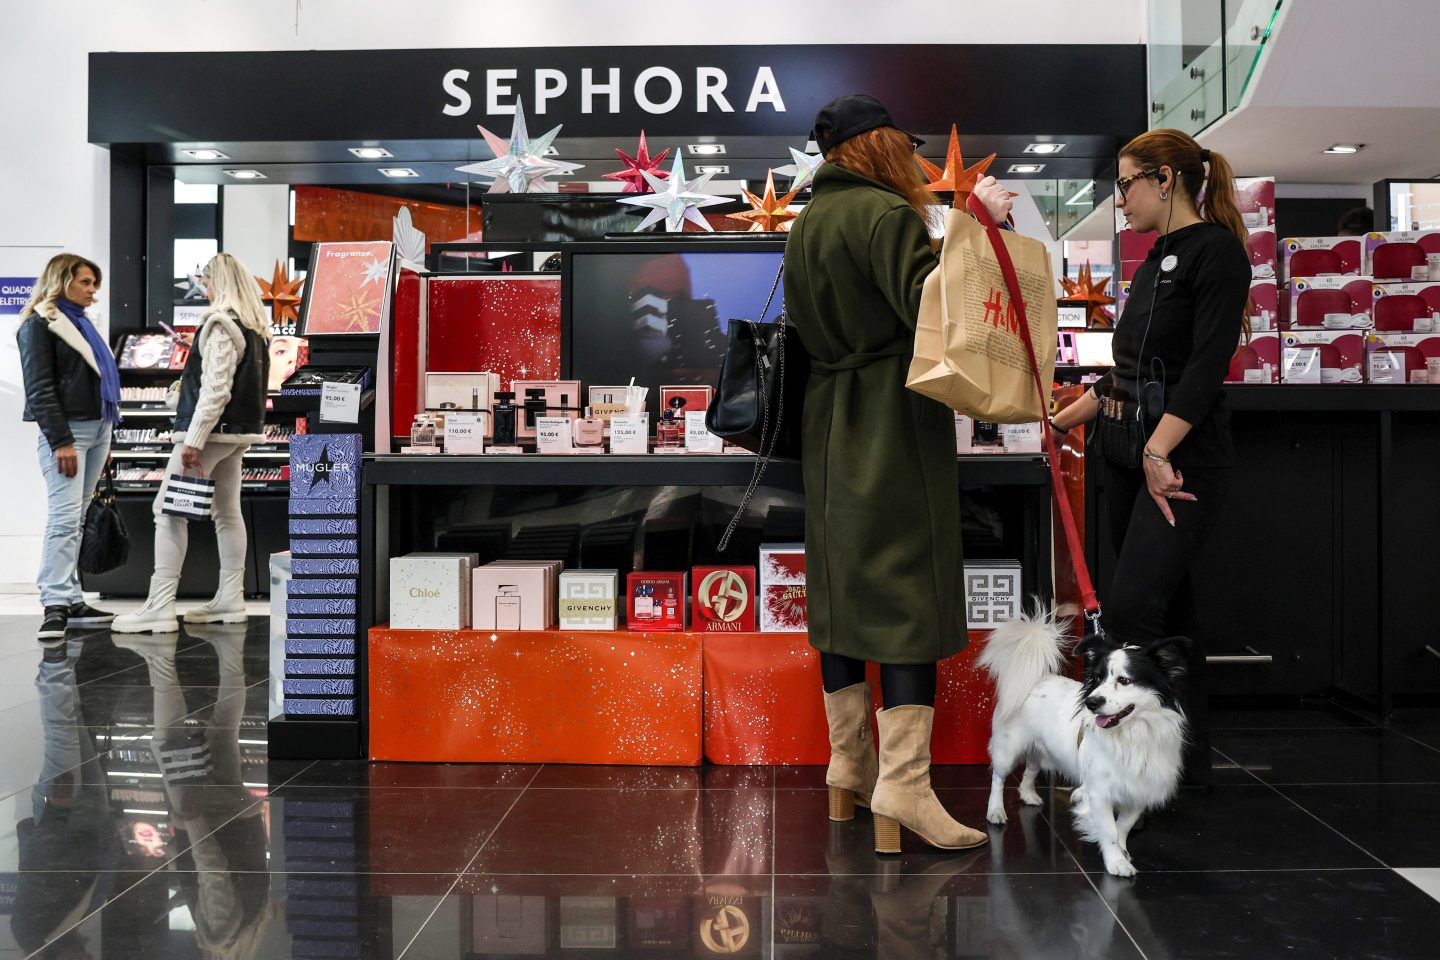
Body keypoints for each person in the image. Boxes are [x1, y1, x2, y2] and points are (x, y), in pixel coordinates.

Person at [784, 94, 1013, 854]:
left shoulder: (810, 220)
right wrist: (977, 223)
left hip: (829, 420)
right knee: (908, 588)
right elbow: (939, 309)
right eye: (902, 147)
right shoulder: (885, 216)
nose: (914, 162)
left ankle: (848, 766)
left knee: (847, 587)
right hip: (890, 415)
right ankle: (905, 788)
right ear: (877, 146)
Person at [1048, 129, 1252, 787]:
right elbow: (1133, 371)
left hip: (1178, 462)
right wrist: (1071, 413)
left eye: (1127, 182)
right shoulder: (1161, 252)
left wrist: (1159, 450)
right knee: (1165, 613)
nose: (1120, 199)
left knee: (1135, 612)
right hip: (1125, 455)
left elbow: (1204, 369)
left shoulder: (1215, 254)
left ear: (1165, 179)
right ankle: (1182, 767)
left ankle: (1133, 771)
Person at [113, 252, 271, 634]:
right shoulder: (254, 328)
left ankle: (159, 606)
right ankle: (230, 598)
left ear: (218, 282)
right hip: (235, 436)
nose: (203, 288)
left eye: (205, 281)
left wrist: (193, 441)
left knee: (167, 513)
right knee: (227, 514)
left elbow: (216, 390)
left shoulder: (219, 324)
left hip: (208, 436)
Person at [17, 253, 121, 644]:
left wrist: (105, 437)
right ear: (61, 281)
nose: (93, 290)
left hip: (98, 428)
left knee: (76, 518)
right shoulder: (40, 325)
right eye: (86, 282)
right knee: (63, 519)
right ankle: (55, 604)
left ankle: (72, 598)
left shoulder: (81, 324)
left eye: (94, 283)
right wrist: (60, 440)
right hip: (68, 432)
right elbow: (39, 388)